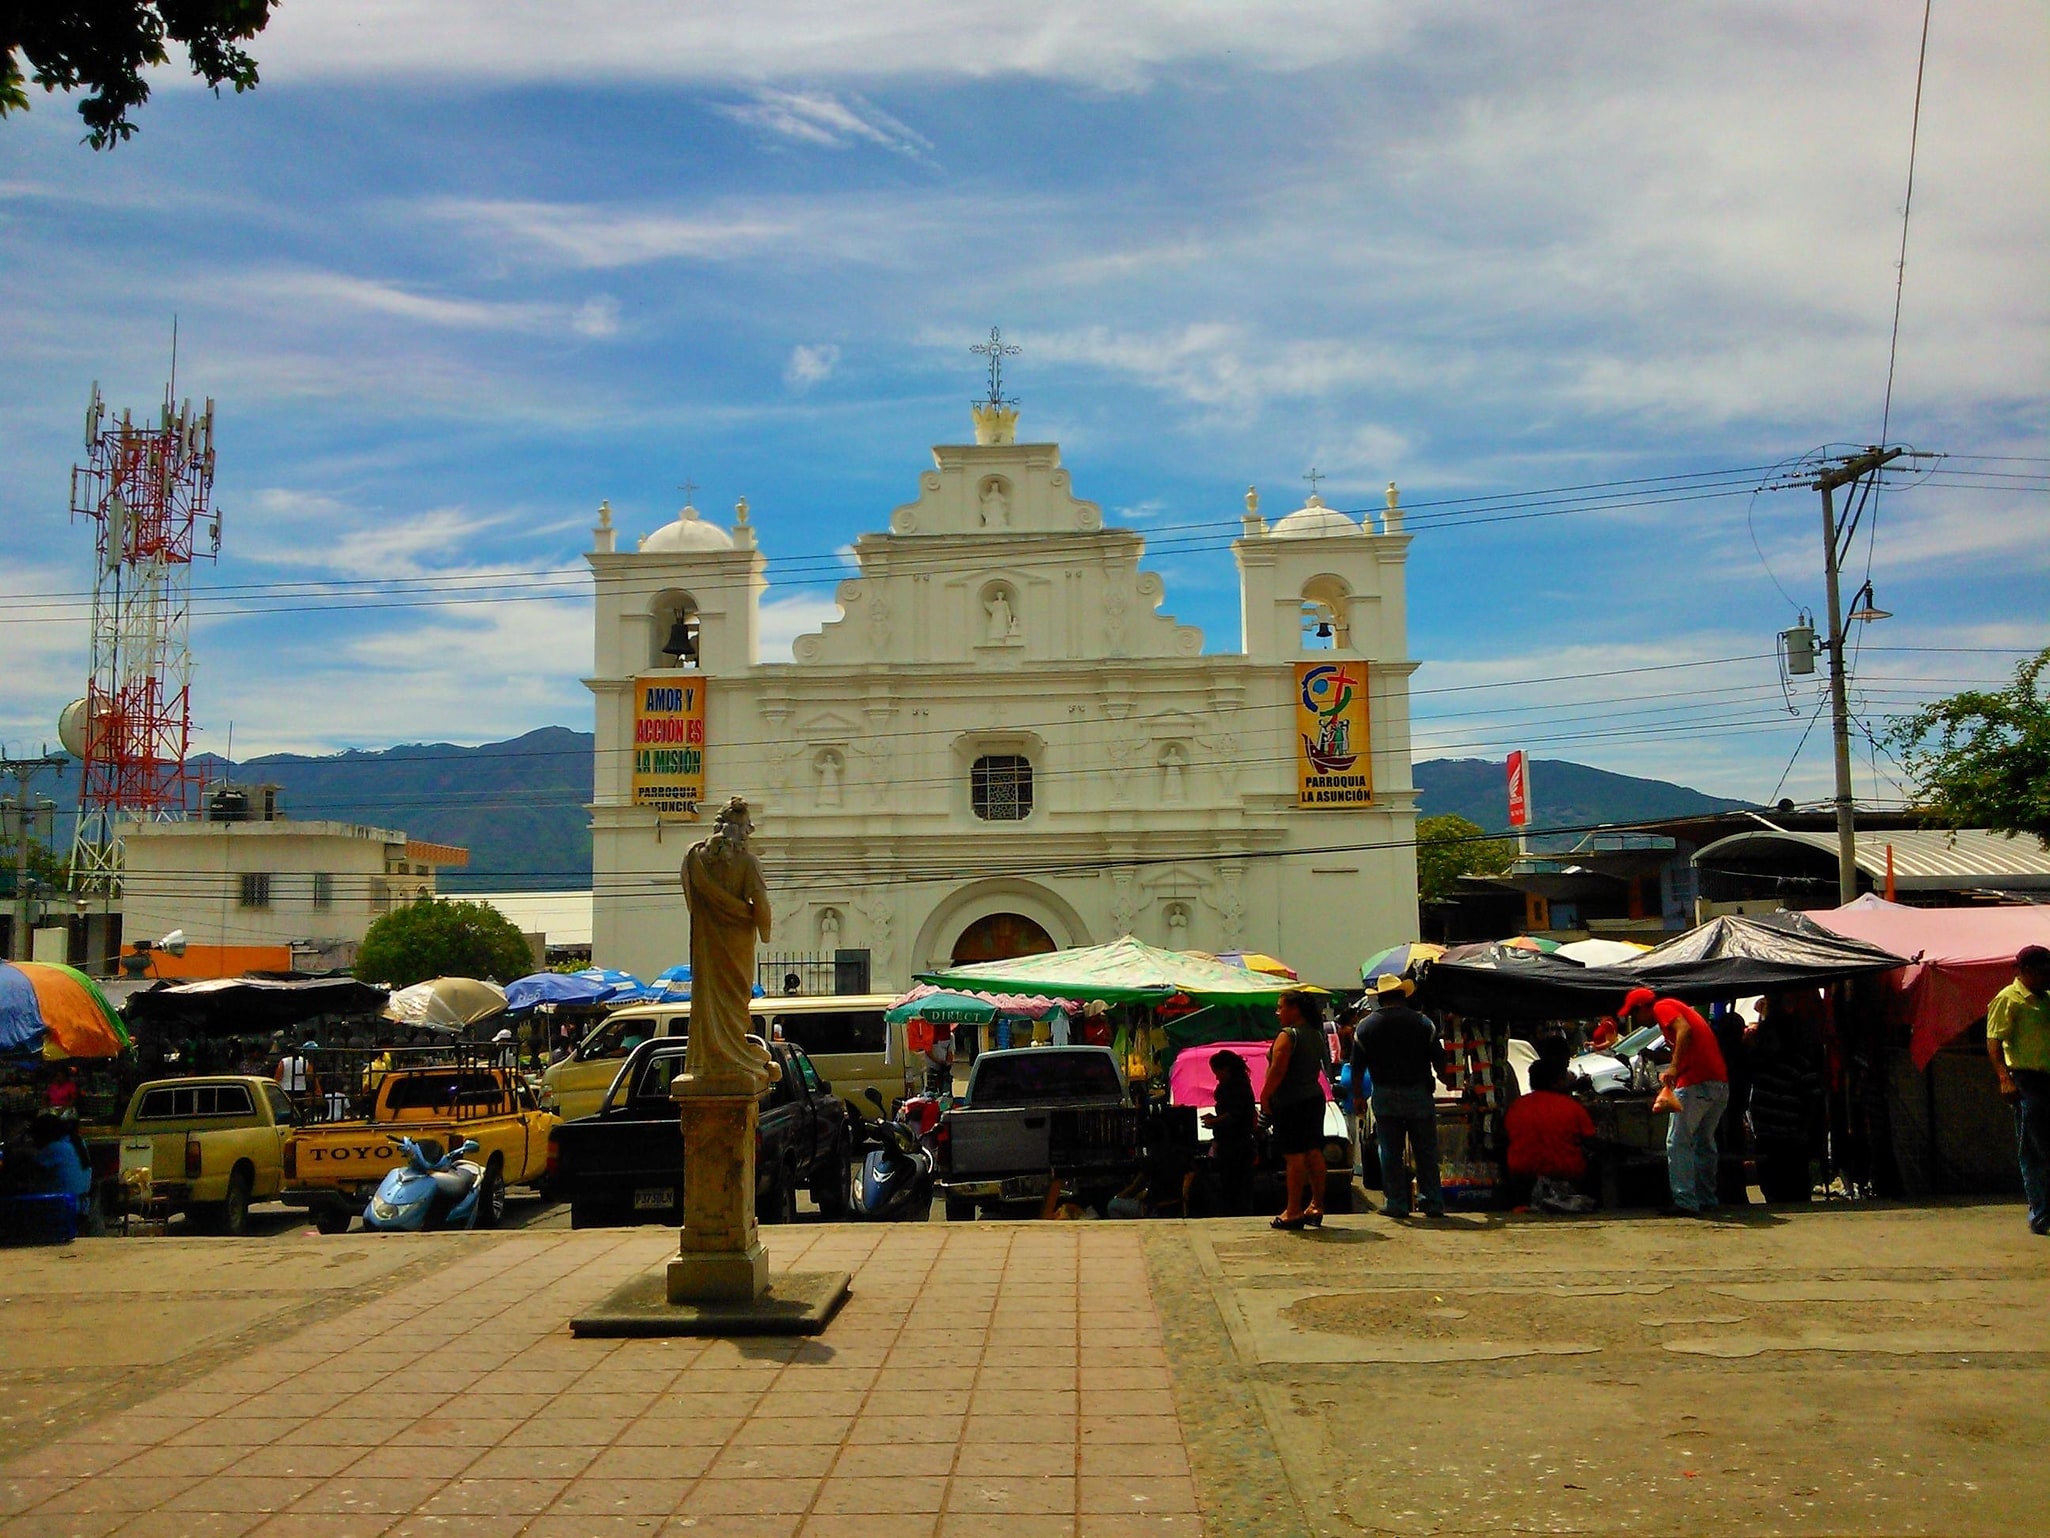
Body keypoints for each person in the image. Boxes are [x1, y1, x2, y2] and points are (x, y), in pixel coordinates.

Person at [1619, 987, 1728, 1216]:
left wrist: (1674, 1068)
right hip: (1718, 1083)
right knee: (1703, 1142)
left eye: (1634, 1014)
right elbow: (1689, 1042)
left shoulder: (1663, 1006)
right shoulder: (1679, 1007)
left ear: (1643, 1008)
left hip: (1696, 1083)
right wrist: (1666, 1061)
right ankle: (1706, 1198)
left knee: (1677, 1141)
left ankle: (1685, 1200)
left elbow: (1684, 1031)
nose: (1635, 1020)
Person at [1356, 973, 1451, 1218]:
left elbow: (1356, 1068)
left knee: (1390, 1151)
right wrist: (1447, 1079)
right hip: (1418, 1091)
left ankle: (1396, 1203)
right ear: (1404, 996)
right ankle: (1431, 1201)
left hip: (1385, 1093)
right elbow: (1439, 1060)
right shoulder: (1423, 1023)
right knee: (1426, 1151)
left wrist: (1357, 1096)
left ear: (1380, 998)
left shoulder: (1366, 1027)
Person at [1985, 945, 2050, 1236]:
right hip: (2026, 1080)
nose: (2046, 977)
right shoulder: (2008, 999)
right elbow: (1994, 1041)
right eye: (2040, 971)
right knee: (2036, 1151)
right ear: (2024, 971)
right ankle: (2041, 1214)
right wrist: (2004, 1078)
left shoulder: (2046, 999)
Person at [1260, 990, 1332, 1229]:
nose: (1277, 1012)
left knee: (1294, 1156)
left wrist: (1265, 1096)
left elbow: (1278, 1070)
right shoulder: (1315, 1034)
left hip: (1291, 1102)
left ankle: (1293, 1211)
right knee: (1313, 1151)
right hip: (1313, 1098)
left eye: (1281, 1007)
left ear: (1294, 1010)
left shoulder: (1288, 1036)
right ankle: (1317, 1205)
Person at [1745, 992, 1825, 1204]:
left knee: (1793, 1185)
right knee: (1770, 1184)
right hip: (1766, 1137)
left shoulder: (1800, 1066)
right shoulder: (1759, 1065)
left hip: (1789, 1138)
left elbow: (1812, 1102)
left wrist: (1804, 1132)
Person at [1503, 1061, 1598, 1212]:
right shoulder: (1573, 1107)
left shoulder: (1517, 1106)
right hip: (1566, 1172)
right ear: (1557, 1082)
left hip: (1522, 1176)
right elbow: (1591, 1141)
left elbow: (1508, 1136)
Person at [1203, 1050, 1258, 1217]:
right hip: (1229, 1142)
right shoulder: (1235, 1085)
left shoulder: (1238, 1087)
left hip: (1237, 1143)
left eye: (1217, 1072)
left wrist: (1214, 1122)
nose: (1216, 1077)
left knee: (1236, 1183)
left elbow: (1234, 1114)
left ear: (1225, 1069)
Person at [275, 1041, 323, 1121]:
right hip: (300, 1089)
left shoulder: (284, 1061)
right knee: (299, 1109)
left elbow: (278, 1076)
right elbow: (310, 1076)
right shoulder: (305, 1061)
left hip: (285, 1089)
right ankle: (299, 1122)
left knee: (287, 1109)